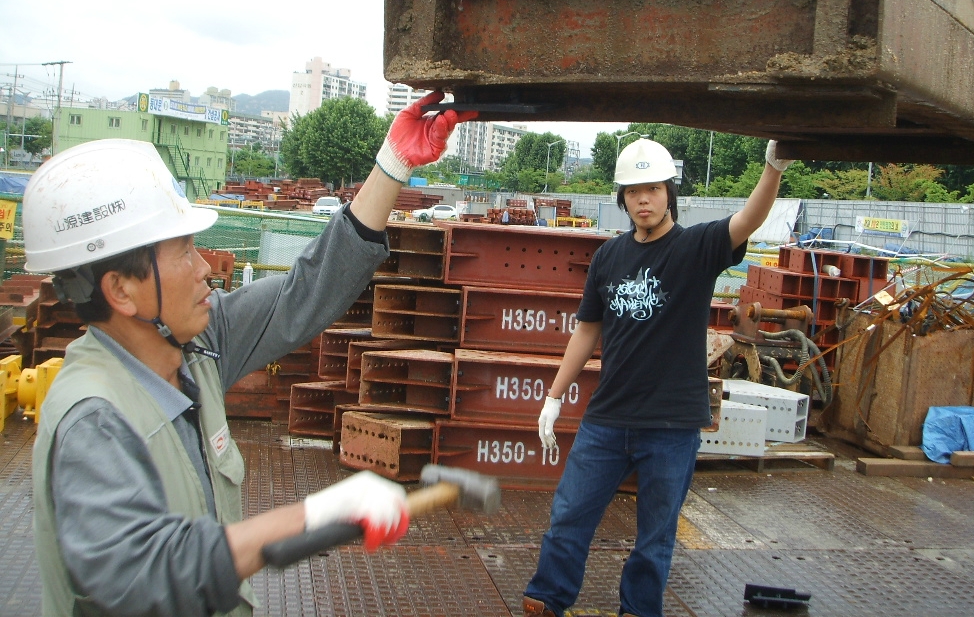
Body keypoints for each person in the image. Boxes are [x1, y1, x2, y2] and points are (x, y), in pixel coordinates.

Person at [26, 92, 474, 617]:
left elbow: (303, 294)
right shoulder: (94, 419)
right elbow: (140, 571)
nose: (205, 269)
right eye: (184, 252)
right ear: (121, 290)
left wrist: (392, 164)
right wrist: (310, 515)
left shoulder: (196, 348)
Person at [523, 138, 793, 617]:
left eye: (652, 188)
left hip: (671, 425)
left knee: (655, 536)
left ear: (670, 191)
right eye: (632, 191)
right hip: (607, 419)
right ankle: (547, 599)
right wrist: (554, 395)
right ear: (622, 199)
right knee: (568, 516)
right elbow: (587, 330)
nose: (643, 199)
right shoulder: (609, 258)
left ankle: (639, 610)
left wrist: (772, 168)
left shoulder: (697, 247)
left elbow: (749, 219)